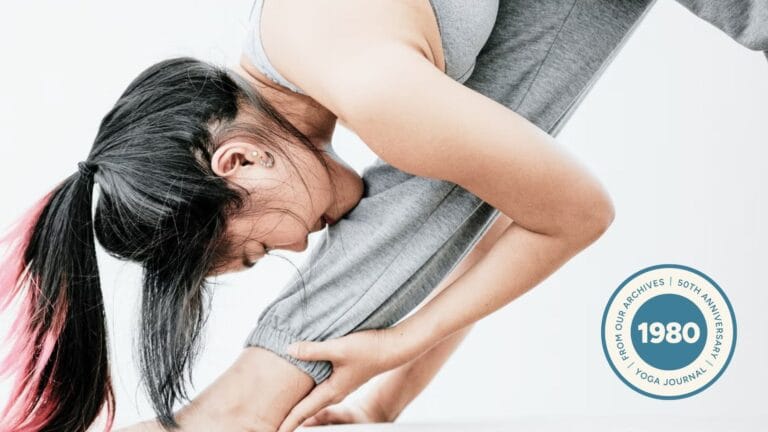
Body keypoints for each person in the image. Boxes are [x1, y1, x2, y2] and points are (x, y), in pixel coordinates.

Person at [0, 2, 763, 432]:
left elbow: (579, 211)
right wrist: (378, 399)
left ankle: (242, 407)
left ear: (238, 162)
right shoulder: (301, 56)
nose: (300, 243)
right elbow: (502, 204)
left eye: (259, 247)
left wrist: (403, 338)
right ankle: (245, 405)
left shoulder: (378, 92)